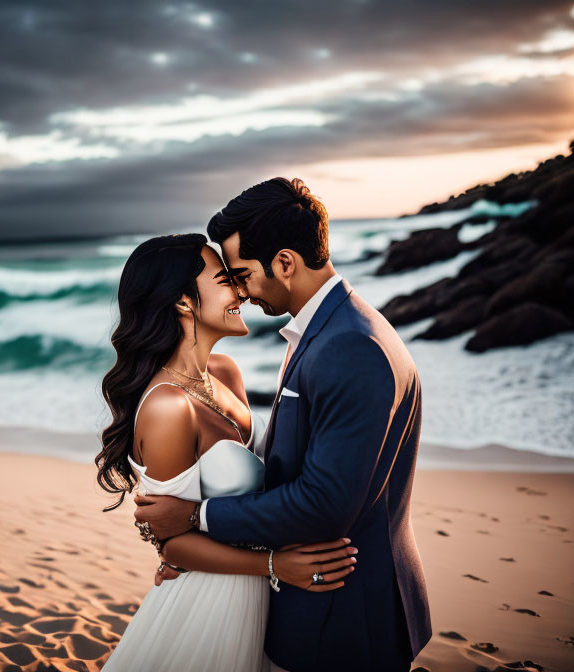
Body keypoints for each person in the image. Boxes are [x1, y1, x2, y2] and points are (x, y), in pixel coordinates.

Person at [133, 178, 432, 672]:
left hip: (346, 609)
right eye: (227, 278)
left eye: (243, 273)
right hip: (306, 597)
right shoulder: (322, 331)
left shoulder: (348, 346)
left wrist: (193, 520)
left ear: (285, 263)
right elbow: (283, 464)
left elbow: (323, 505)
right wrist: (190, 547)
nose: (241, 290)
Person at [96, 233, 357, 672]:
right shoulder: (166, 406)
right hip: (211, 600)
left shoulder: (225, 371)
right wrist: (275, 564)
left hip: (260, 597)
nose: (240, 291)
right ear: (183, 301)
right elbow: (172, 544)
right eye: (224, 280)